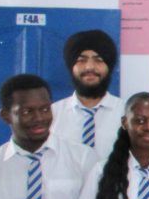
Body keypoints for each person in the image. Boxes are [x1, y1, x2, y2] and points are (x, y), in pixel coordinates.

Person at [51, 29, 123, 160]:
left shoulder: (126, 113)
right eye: (81, 60)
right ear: (71, 67)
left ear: (109, 66)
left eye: (99, 60)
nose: (89, 67)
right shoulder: (53, 114)